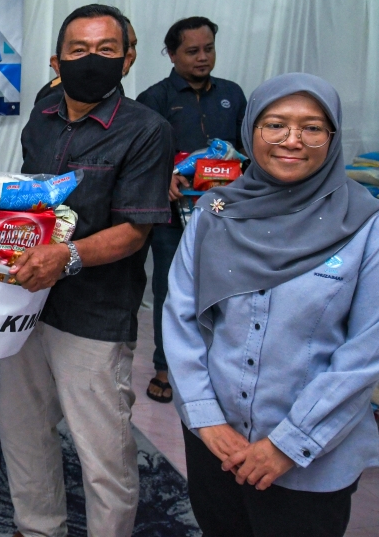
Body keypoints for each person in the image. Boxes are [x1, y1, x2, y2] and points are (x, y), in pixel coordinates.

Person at [163, 73, 379, 537]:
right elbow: (181, 319)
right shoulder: (214, 212)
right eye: (275, 124)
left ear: (333, 136)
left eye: (313, 128)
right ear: (250, 132)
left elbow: (366, 352)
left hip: (313, 455)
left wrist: (287, 445)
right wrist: (207, 420)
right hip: (215, 444)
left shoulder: (365, 225)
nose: (292, 140)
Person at [0, 4, 173, 537]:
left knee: (104, 454)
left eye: (105, 50)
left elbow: (135, 230)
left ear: (128, 57)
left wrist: (66, 257)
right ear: (57, 59)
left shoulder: (147, 130)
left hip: (94, 315)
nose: (91, 60)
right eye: (78, 50)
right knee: (22, 434)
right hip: (26, 305)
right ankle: (38, 528)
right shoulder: (43, 115)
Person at [136, 16, 247, 404]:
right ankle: (165, 368)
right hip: (170, 215)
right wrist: (160, 173)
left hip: (225, 213)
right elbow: (138, 158)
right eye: (192, 51)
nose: (203, 58)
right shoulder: (153, 99)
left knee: (227, 289)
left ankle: (219, 369)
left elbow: (247, 150)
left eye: (209, 49)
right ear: (171, 53)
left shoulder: (232, 94)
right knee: (170, 291)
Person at [34, 16, 137, 104]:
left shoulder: (110, 84)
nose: (130, 53)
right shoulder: (60, 93)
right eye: (106, 48)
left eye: (133, 45)